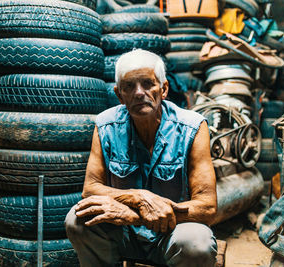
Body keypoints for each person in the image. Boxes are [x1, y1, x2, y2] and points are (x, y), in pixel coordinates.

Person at [65, 49, 218, 267]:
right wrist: (138, 197)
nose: (139, 93)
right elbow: (90, 189)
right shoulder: (105, 125)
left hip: (172, 234)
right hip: (123, 234)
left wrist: (136, 216)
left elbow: (207, 208)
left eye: (148, 84)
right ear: (119, 95)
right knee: (78, 219)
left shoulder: (192, 127)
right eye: (129, 87)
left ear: (164, 89)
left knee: (196, 242)